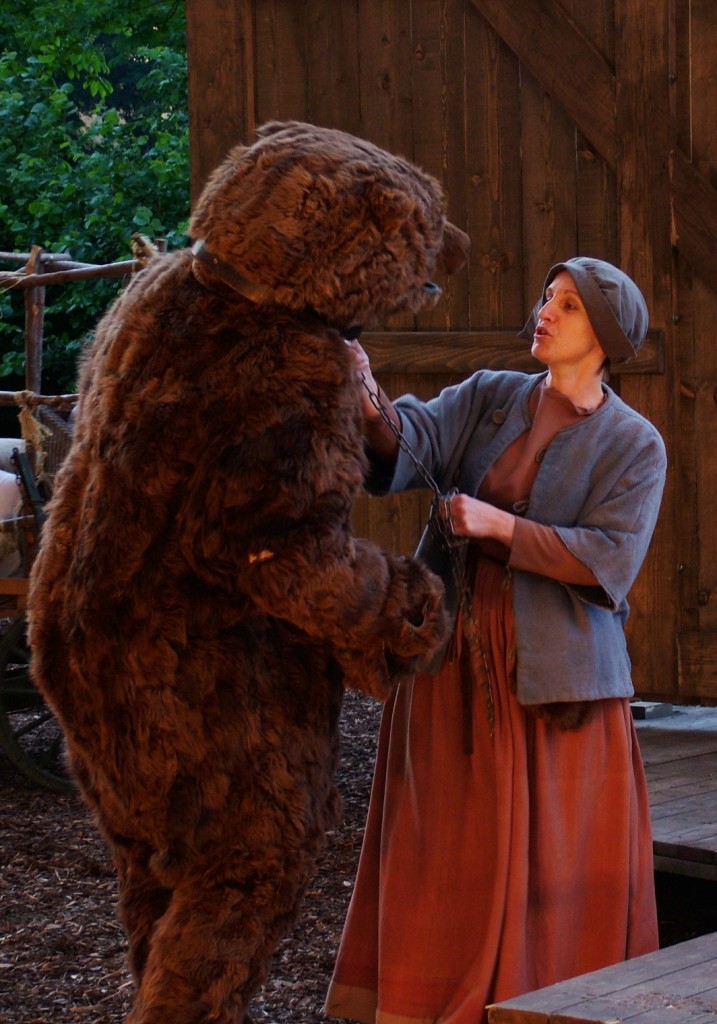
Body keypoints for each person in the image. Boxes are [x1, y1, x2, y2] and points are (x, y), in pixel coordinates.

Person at [324, 257, 667, 1024]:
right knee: (442, 840)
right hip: (449, 657)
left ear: (605, 334)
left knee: (557, 856)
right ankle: (423, 999)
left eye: (568, 305)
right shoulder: (489, 396)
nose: (544, 311)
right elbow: (403, 442)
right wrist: (365, 390)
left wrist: (499, 526)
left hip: (557, 678)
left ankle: (548, 1000)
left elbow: (608, 559)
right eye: (547, 296)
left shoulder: (634, 444)